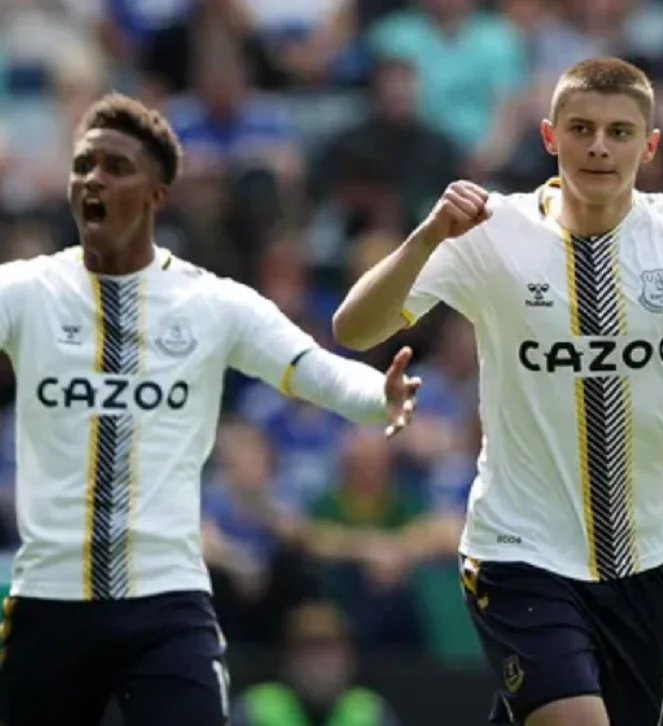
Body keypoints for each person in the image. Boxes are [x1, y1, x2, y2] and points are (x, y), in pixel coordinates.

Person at [333, 57, 663, 726]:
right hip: (518, 548)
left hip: (646, 554)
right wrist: (425, 237)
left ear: (650, 145)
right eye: (581, 128)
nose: (598, 147)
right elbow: (354, 329)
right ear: (549, 136)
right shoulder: (488, 231)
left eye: (620, 132)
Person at [0, 93, 420, 726]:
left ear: (157, 195)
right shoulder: (25, 291)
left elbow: (313, 369)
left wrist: (377, 396)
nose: (93, 180)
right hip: (48, 601)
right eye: (83, 165)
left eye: (116, 167)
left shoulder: (212, 304)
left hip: (165, 602)